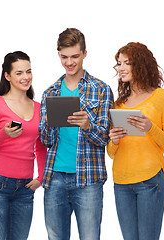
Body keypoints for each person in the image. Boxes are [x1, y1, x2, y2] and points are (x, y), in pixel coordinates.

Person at [39, 28, 113, 240]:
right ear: (58, 54)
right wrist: (54, 123)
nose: (69, 62)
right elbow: (45, 140)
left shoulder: (101, 89)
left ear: (85, 54)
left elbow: (105, 138)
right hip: (55, 179)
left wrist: (88, 126)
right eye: (64, 57)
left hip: (88, 179)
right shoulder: (50, 92)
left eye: (75, 56)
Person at [107, 42, 164, 240]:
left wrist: (150, 128)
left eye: (125, 63)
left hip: (150, 181)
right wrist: (114, 140)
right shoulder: (118, 104)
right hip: (121, 183)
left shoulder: (162, 97)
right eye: (118, 64)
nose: (120, 68)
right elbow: (111, 153)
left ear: (140, 64)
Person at [0, 51, 47, 240]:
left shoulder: (39, 107)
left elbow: (41, 147)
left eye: (28, 71)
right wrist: (3, 134)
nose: (25, 77)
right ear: (7, 76)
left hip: (25, 187)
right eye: (19, 73)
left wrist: (41, 177)